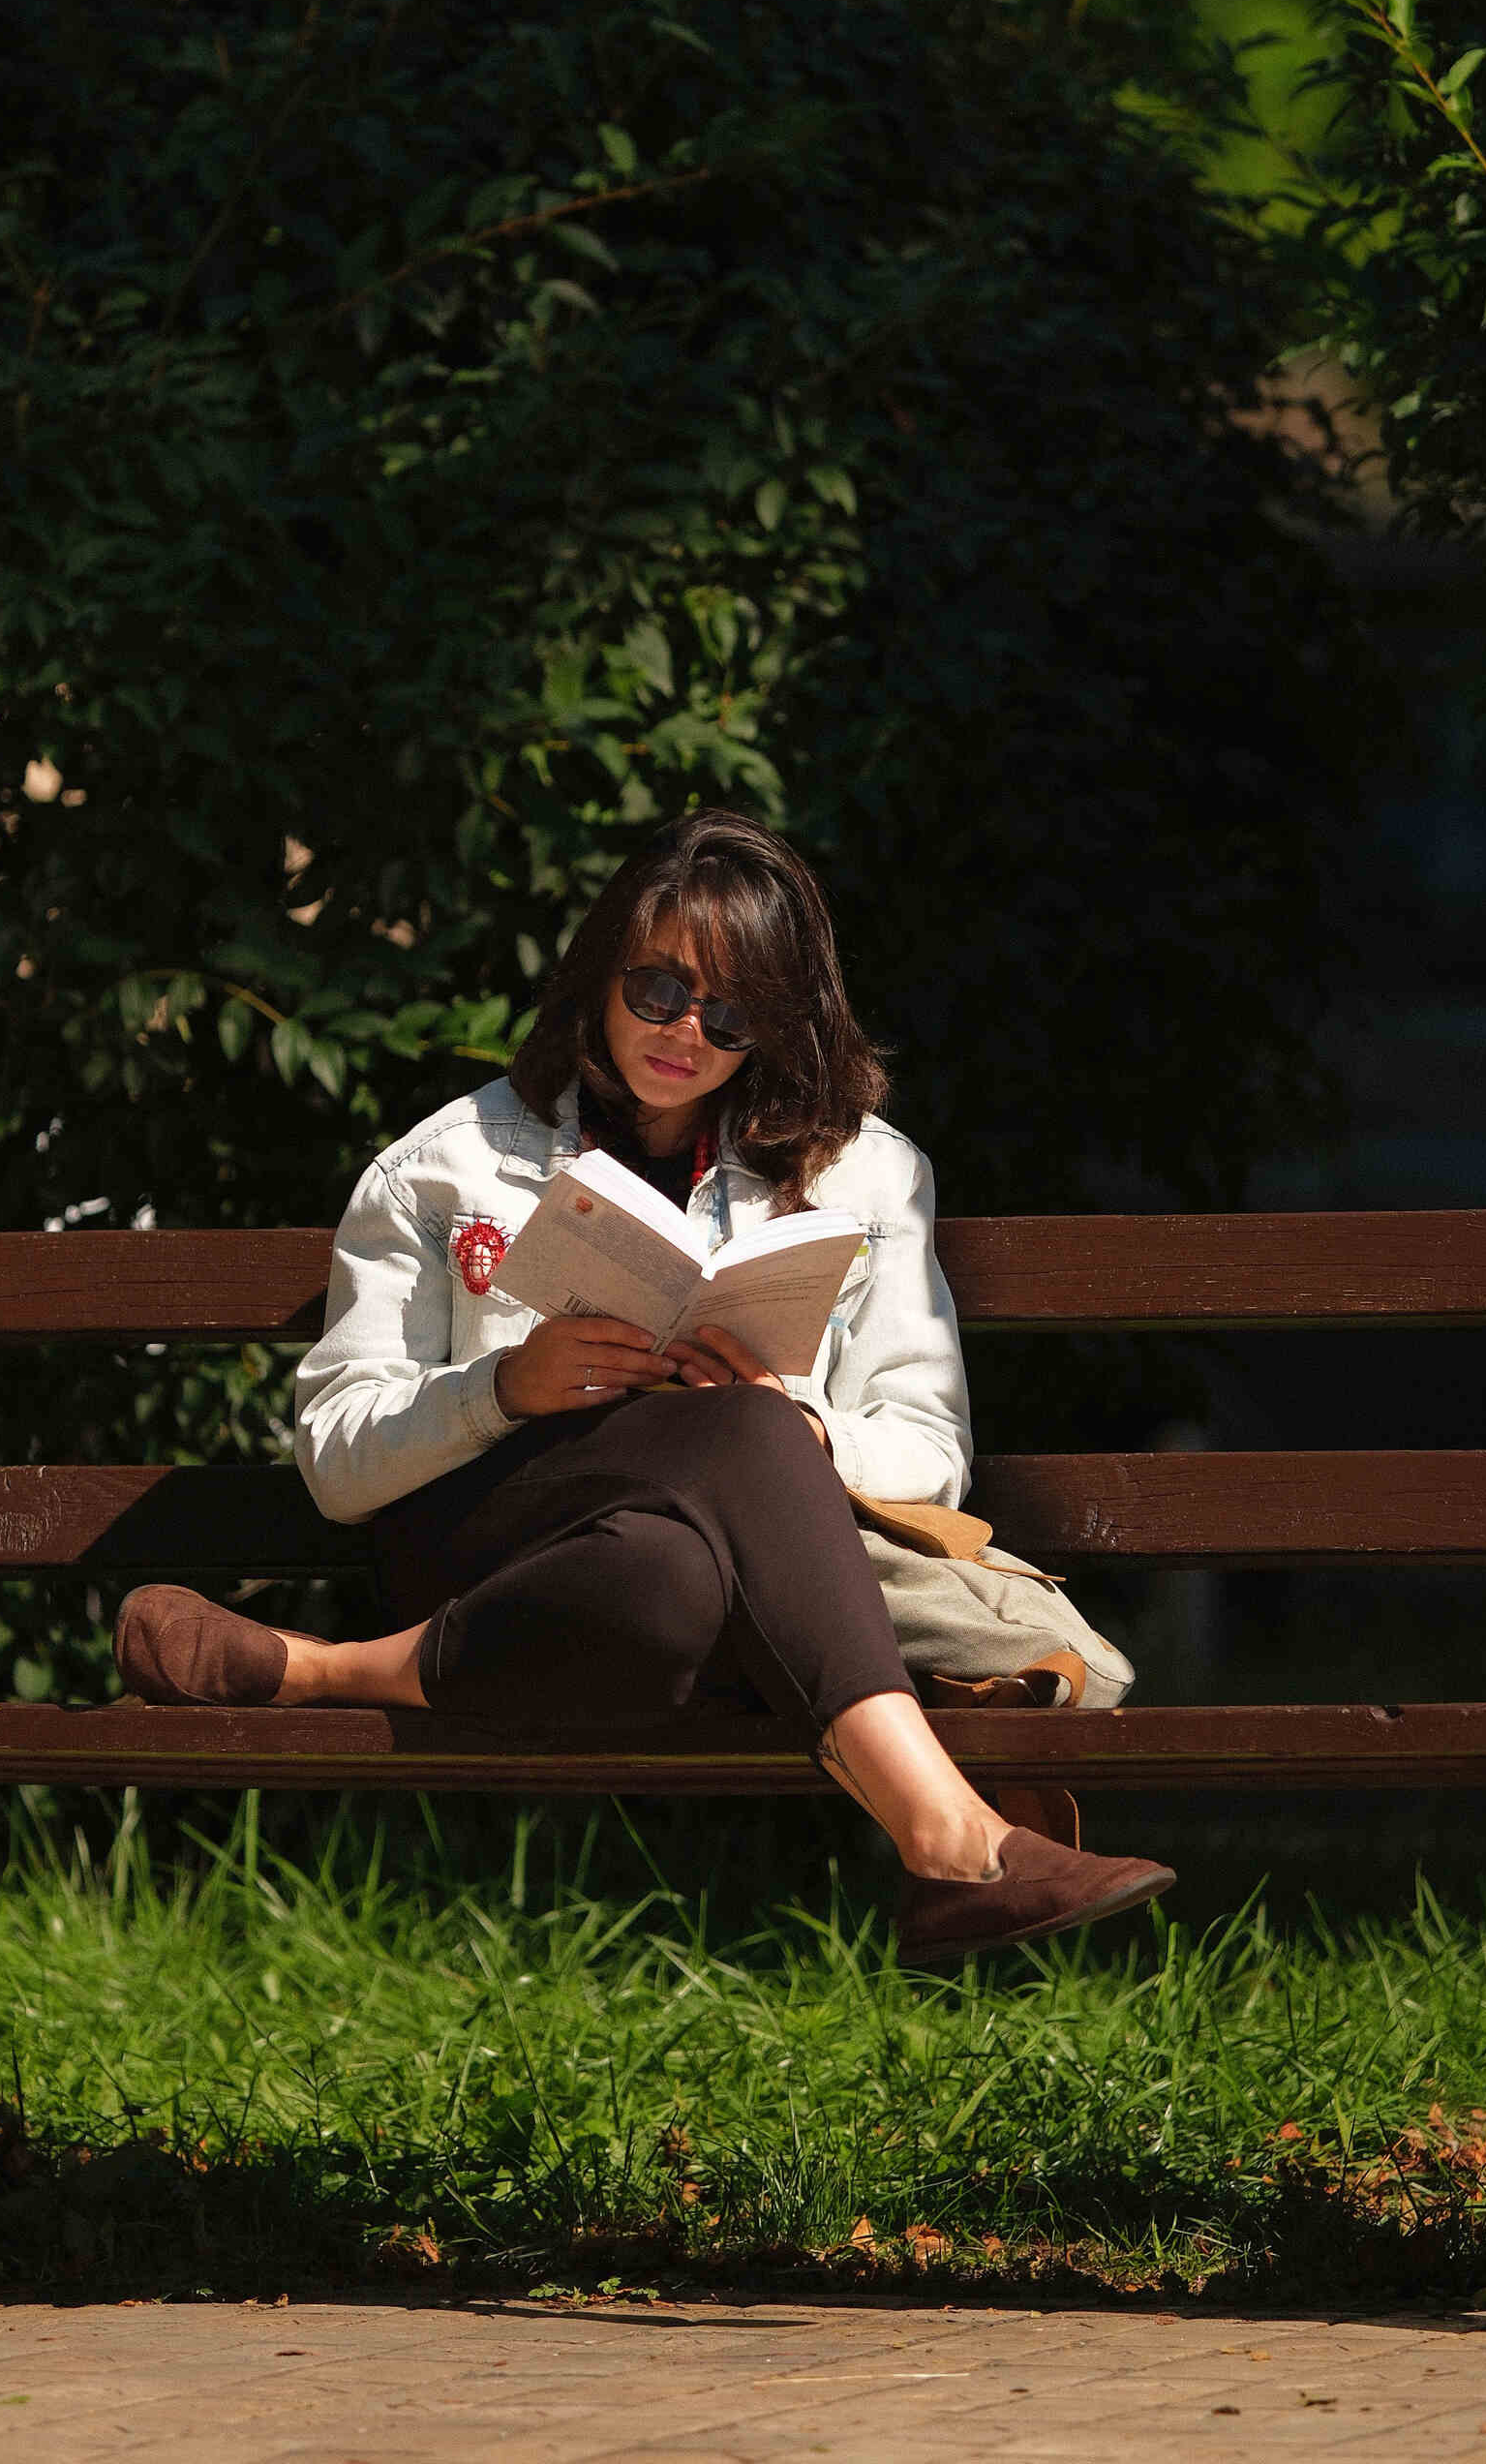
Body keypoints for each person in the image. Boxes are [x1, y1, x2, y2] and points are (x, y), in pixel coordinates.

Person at [116, 810, 1173, 1958]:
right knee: (743, 1438)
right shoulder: (446, 1166)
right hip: (491, 1546)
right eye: (659, 989)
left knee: (685, 1558)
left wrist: (812, 1429)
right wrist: (501, 1387)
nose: (686, 1034)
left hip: (662, 1598)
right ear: (600, 972)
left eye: (732, 1014)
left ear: (780, 1024)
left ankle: (323, 1669)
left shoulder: (868, 1175)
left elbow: (929, 1452)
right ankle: (952, 1842)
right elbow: (334, 1461)